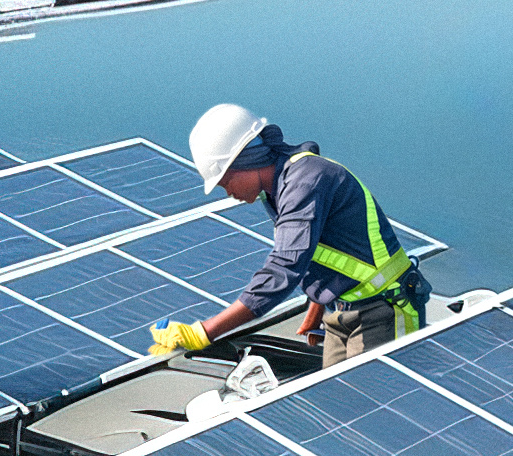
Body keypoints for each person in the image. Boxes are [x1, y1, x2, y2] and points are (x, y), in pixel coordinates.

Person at [161, 102, 423, 366]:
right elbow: (321, 246)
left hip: (385, 308)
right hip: (343, 311)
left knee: (369, 399)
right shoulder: (277, 189)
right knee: (336, 395)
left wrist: (205, 332)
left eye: (225, 182)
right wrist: (316, 305)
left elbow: (284, 268)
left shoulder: (306, 181)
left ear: (245, 162)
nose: (229, 193)